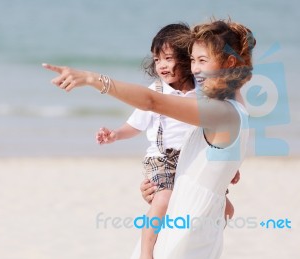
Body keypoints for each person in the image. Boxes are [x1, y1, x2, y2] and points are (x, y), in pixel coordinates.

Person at [43, 18, 255, 259]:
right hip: (194, 227)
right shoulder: (236, 108)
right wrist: (161, 192)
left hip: (184, 236)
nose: (195, 69)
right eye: (193, 60)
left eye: (202, 61)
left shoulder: (220, 113)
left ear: (229, 63)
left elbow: (152, 102)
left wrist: (93, 79)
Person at [94, 23, 237, 259]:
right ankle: (147, 252)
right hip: (163, 160)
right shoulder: (156, 92)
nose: (161, 65)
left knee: (226, 208)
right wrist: (115, 134)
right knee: (163, 199)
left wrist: (231, 166)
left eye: (168, 58)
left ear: (186, 59)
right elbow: (135, 125)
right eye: (156, 59)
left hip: (195, 159)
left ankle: (194, 244)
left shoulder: (203, 91)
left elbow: (219, 132)